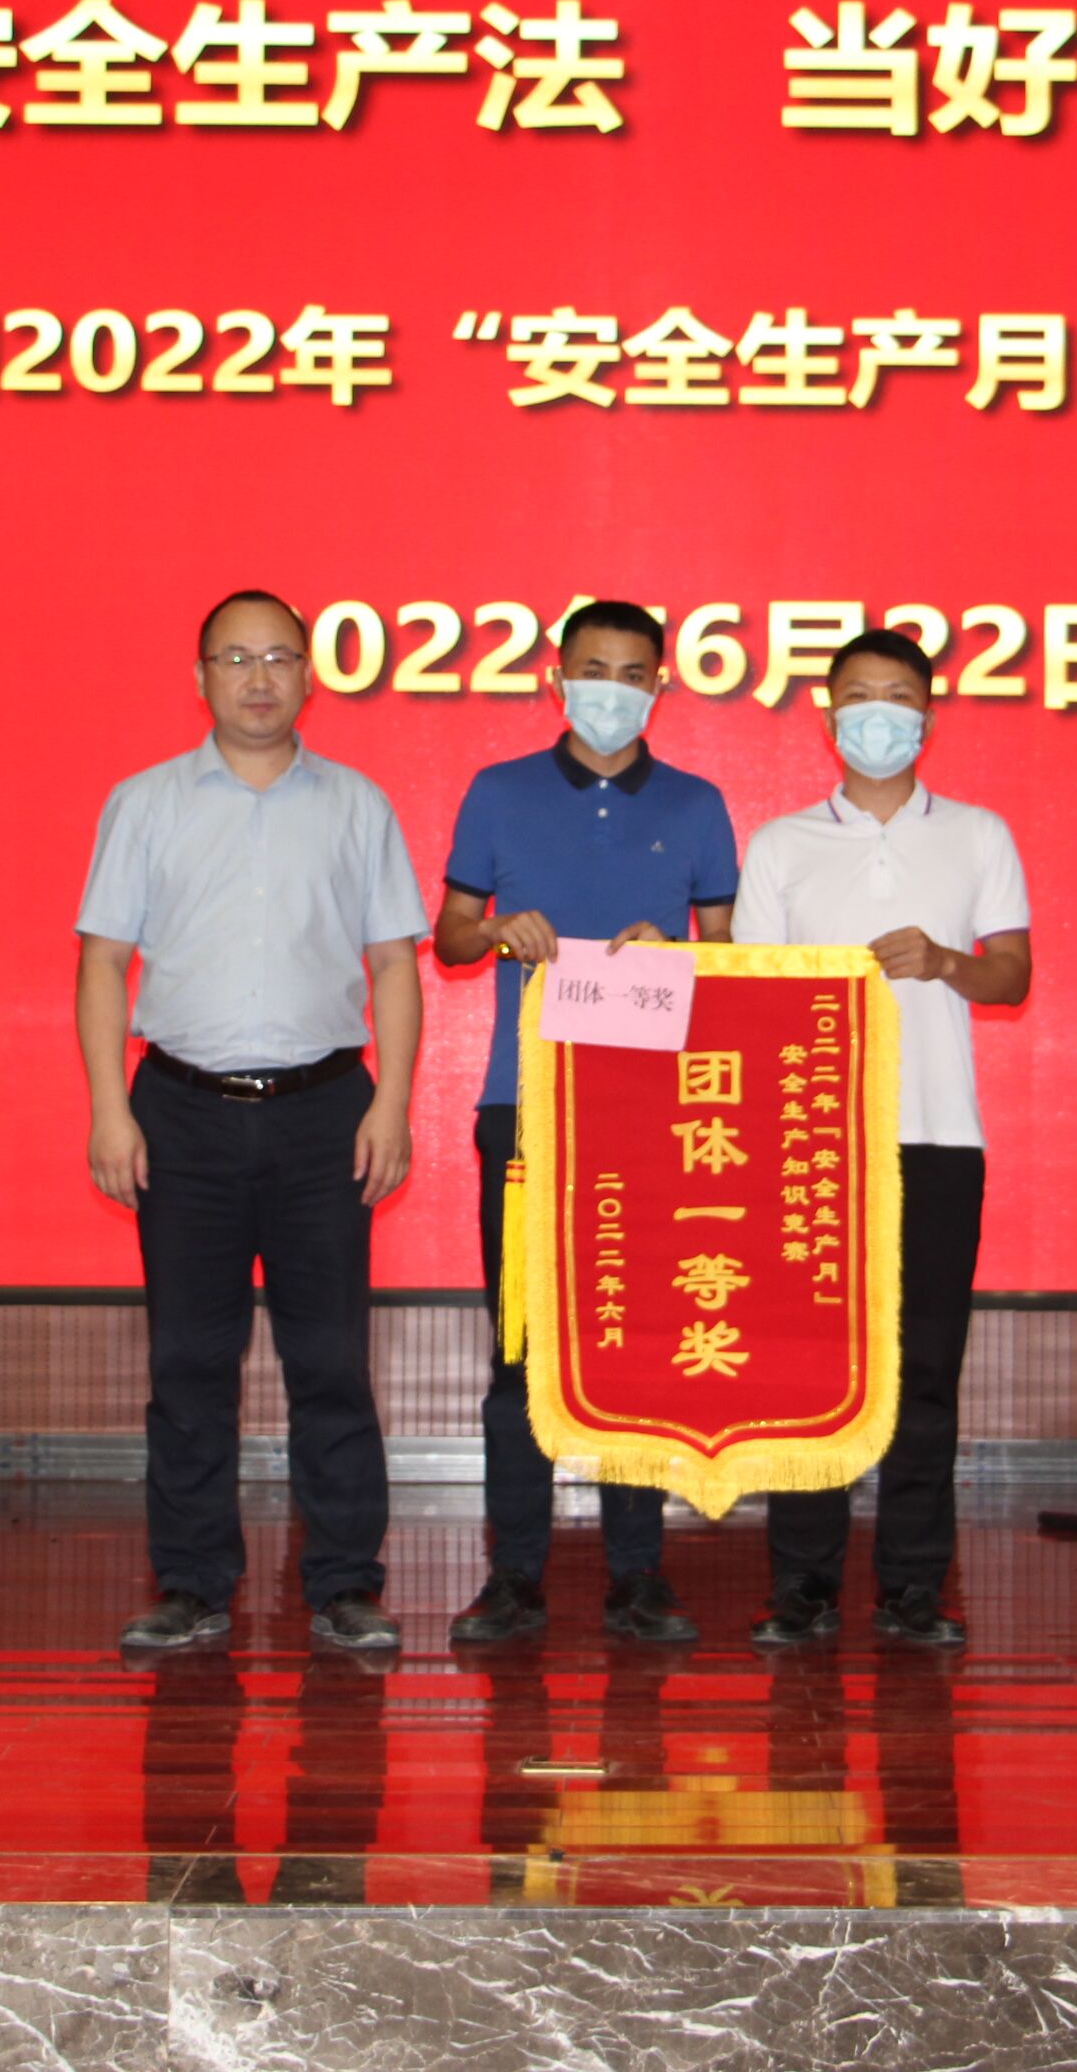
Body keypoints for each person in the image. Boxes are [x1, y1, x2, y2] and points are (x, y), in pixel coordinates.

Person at [75, 589, 427, 1657]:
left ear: (311, 676)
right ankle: (191, 1584)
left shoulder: (357, 804)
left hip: (326, 1114)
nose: (258, 678)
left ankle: (345, 1584)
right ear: (200, 679)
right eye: (235, 659)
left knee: (331, 1360)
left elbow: (394, 965)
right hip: (181, 1114)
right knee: (189, 1360)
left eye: (278, 658)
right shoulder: (144, 802)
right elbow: (103, 962)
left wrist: (392, 1105)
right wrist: (108, 1110)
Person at [434, 600, 740, 1646]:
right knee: (521, 1348)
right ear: (556, 678)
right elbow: (450, 936)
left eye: (633, 672)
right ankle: (513, 1575)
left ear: (661, 685)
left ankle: (638, 1575)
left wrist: (679, 956)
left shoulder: (698, 804)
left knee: (639, 1345)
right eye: (593, 669)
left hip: (651, 1107)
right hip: (525, 1108)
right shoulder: (498, 790)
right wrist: (494, 929)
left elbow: (729, 956)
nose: (612, 689)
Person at [733, 627, 1032, 1652]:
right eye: (857, 696)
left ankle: (912, 1585)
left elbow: (1013, 974)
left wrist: (947, 961)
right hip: (811, 1139)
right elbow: (749, 998)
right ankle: (802, 1585)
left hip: (937, 1137)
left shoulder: (979, 834)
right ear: (828, 716)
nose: (878, 715)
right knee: (803, 1369)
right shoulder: (781, 845)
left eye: (898, 697)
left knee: (926, 1373)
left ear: (928, 717)